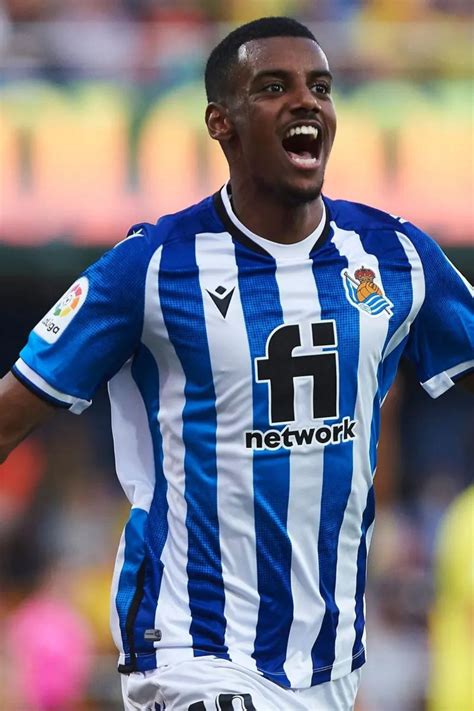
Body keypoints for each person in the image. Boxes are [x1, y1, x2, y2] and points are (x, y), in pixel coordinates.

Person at [0, 16, 473, 711]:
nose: (306, 101)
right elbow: (10, 410)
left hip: (331, 661)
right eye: (274, 87)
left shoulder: (395, 256)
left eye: (320, 87)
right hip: (193, 651)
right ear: (221, 123)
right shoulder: (152, 268)